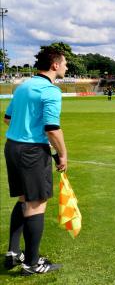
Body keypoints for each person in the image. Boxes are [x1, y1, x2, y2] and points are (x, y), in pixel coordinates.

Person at [3, 47, 67, 275]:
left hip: (12, 147)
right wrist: (63, 153)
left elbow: (7, 118)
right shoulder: (50, 91)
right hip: (31, 152)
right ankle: (31, 263)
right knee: (36, 203)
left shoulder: (23, 87)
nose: (66, 67)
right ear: (55, 65)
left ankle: (13, 252)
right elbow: (52, 128)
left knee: (24, 199)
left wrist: (23, 133)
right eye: (65, 63)